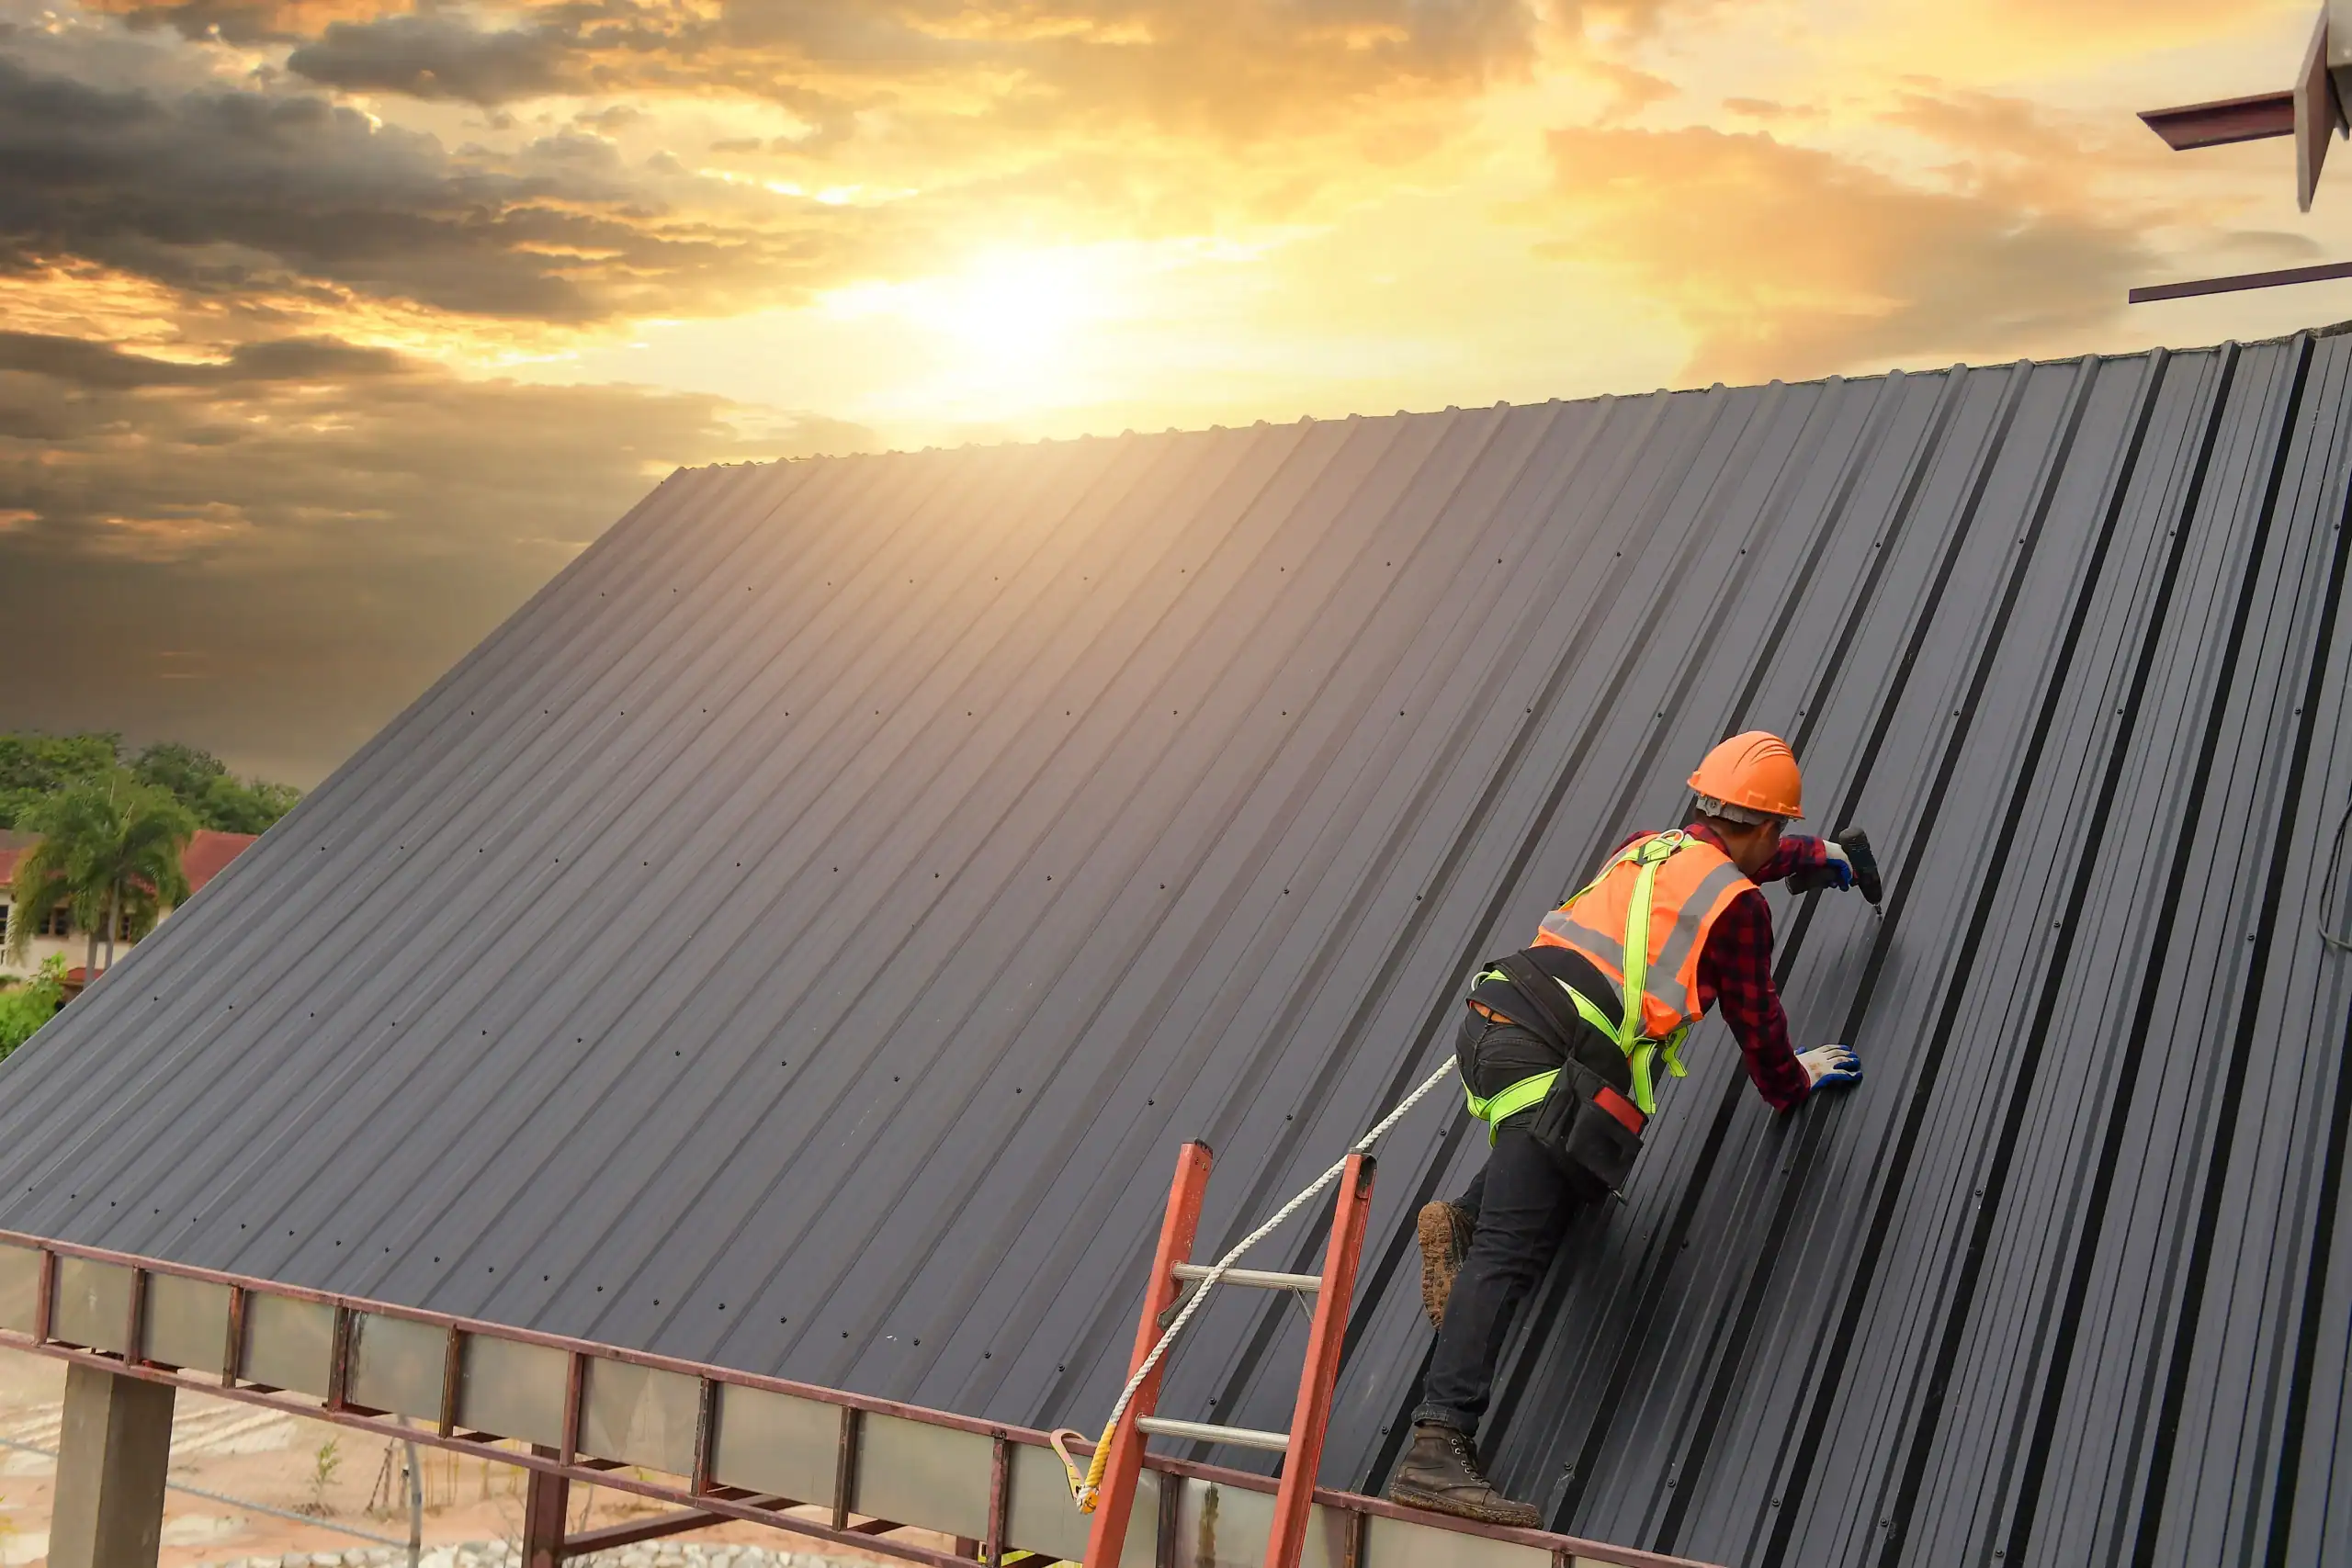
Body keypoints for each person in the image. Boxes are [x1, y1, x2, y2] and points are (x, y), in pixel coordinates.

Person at [1385, 731, 1879, 1528]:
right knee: (1514, 1250)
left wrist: (1821, 856)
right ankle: (1438, 1443)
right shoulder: (1739, 910)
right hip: (1553, 1054)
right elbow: (1761, 1033)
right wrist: (1801, 1079)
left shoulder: (1649, 848)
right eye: (1779, 832)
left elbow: (1735, 859)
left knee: (1563, 1170)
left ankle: (1464, 1218)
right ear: (1760, 825)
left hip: (1499, 1019)